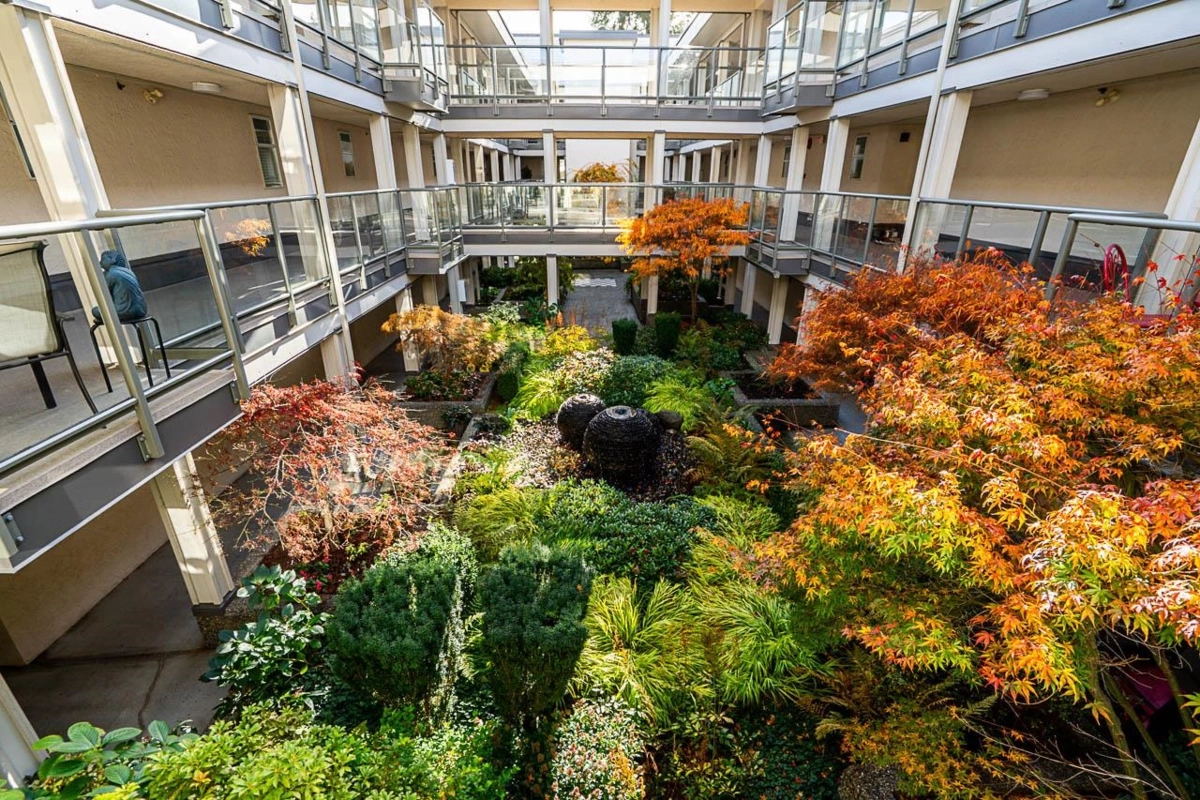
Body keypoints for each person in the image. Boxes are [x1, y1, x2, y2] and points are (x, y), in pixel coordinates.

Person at [91, 250, 147, 324]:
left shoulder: (111, 274)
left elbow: (106, 297)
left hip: (126, 310)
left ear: (112, 260)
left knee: (95, 311)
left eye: (103, 259)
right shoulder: (128, 271)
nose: (100, 262)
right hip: (142, 309)